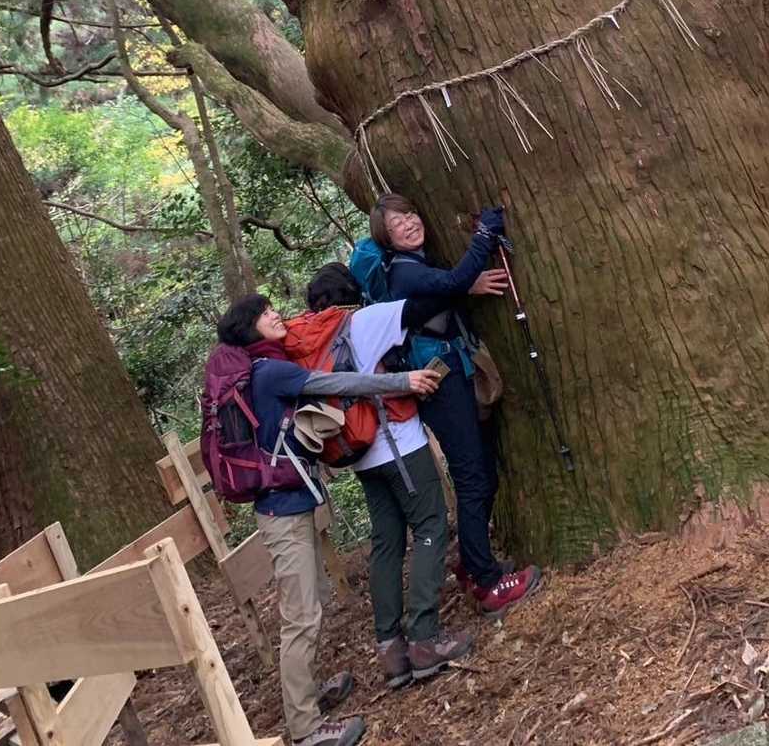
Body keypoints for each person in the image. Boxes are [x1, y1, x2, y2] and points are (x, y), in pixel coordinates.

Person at [214, 293, 441, 746]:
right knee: (300, 617)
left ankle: (309, 694)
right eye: (264, 313)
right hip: (282, 513)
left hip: (288, 507)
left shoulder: (259, 371)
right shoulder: (269, 372)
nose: (275, 314)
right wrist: (402, 381)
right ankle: (306, 729)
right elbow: (338, 382)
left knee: (310, 604)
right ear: (248, 328)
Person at [367, 195, 542, 616]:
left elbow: (441, 297)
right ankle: (487, 582)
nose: (409, 223)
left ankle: (471, 561)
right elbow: (449, 284)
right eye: (396, 223)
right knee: (471, 476)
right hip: (440, 385)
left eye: (410, 214)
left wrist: (466, 285)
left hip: (451, 374)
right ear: (386, 238)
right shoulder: (403, 270)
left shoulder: (416, 265)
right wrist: (485, 233)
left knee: (482, 470)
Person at [304, 263, 476, 689]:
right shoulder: (364, 320)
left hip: (360, 454)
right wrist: (469, 278)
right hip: (398, 444)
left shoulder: (311, 340)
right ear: (352, 291)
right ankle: (424, 638)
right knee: (431, 524)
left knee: (386, 543)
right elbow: (424, 305)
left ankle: (391, 650)